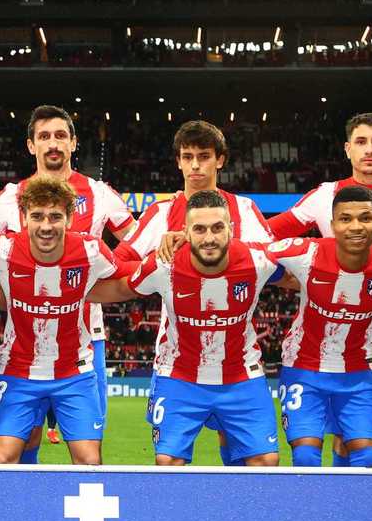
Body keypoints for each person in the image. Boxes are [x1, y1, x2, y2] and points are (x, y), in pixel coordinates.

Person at [267, 112, 372, 467]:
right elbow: (265, 236)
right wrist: (289, 278)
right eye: (360, 142)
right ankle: (343, 519)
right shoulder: (325, 196)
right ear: (347, 149)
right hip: (336, 345)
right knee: (344, 439)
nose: (369, 150)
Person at [0, 104, 135, 464]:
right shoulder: (9, 198)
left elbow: (136, 244)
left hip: (84, 338)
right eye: (44, 136)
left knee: (88, 445)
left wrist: (92, 279)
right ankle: (23, 512)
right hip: (25, 335)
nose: (53, 143)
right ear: (31, 145)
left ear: (74, 143)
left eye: (60, 135)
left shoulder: (99, 193)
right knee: (25, 436)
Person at [113, 119, 273, 465]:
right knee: (170, 463)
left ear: (221, 160)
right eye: (188, 157)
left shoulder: (243, 209)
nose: (196, 165)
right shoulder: (159, 214)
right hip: (180, 358)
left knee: (247, 460)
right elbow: (118, 263)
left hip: (237, 357)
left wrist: (202, 242)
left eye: (204, 156)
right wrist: (156, 261)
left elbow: (271, 265)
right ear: (179, 162)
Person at [89, 190, 280, 466]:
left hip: (241, 376)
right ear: (185, 232)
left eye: (217, 227)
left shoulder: (260, 260)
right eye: (199, 229)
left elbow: (306, 270)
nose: (210, 237)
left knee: (266, 462)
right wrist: (68, 293)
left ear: (232, 229)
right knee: (168, 462)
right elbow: (120, 286)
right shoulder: (162, 265)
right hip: (180, 378)